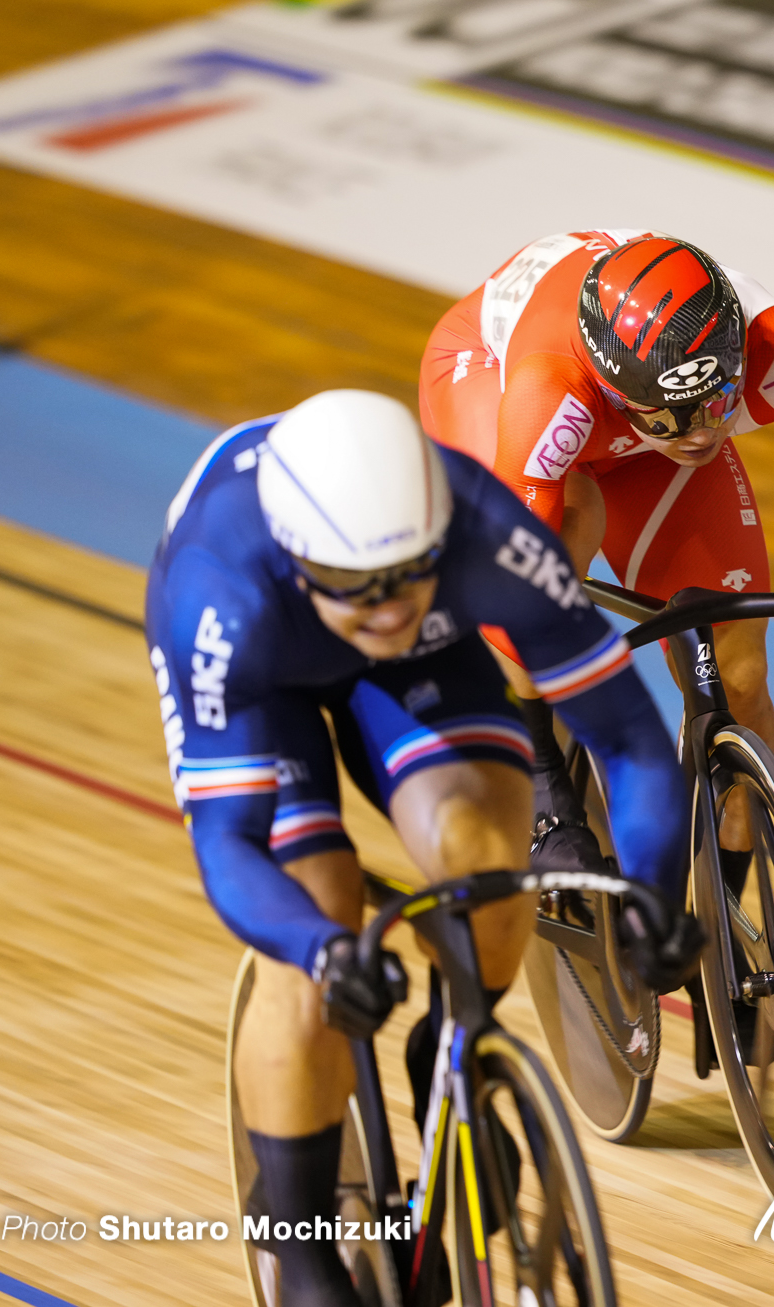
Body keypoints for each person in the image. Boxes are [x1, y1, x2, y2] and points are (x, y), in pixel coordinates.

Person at [145, 390, 701, 1306]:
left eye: (410, 572)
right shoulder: (220, 593)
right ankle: (307, 1254)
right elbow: (231, 846)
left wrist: (651, 891)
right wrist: (324, 952)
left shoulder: (483, 527)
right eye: (358, 586)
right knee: (314, 921)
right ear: (298, 558)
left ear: (439, 530)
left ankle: (449, 1049)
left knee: (486, 860)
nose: (390, 605)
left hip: (424, 671)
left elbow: (634, 741)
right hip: (266, 678)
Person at [418, 229, 774, 817]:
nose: (701, 434)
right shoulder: (548, 389)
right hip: (488, 369)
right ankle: (536, 786)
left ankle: (724, 897)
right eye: (668, 420)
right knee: (567, 534)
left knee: (738, 677)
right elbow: (510, 575)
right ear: (614, 395)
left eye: (717, 402)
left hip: (619, 424)